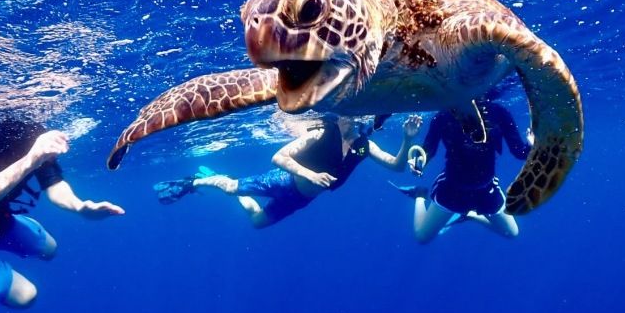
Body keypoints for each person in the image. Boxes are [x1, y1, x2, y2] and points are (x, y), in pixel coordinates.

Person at [0, 111, 125, 308]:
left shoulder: (30, 129)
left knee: (49, 250)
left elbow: (54, 184)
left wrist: (80, 207)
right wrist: (32, 159)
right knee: (26, 297)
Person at [154, 114, 422, 228]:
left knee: (257, 222)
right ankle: (195, 183)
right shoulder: (319, 133)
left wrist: (408, 139)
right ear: (340, 115)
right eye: (351, 114)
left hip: (301, 200)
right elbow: (278, 157)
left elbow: (396, 166)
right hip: (281, 182)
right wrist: (310, 175)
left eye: (361, 116)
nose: (358, 119)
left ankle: (228, 188)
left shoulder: (363, 147)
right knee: (231, 187)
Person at [392, 97, 533, 244]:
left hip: (486, 189)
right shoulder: (444, 116)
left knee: (512, 233)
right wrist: (419, 163)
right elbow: (429, 150)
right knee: (422, 237)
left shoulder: (499, 113)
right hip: (452, 190)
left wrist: (531, 145)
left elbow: (519, 152)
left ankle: (469, 215)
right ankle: (420, 195)